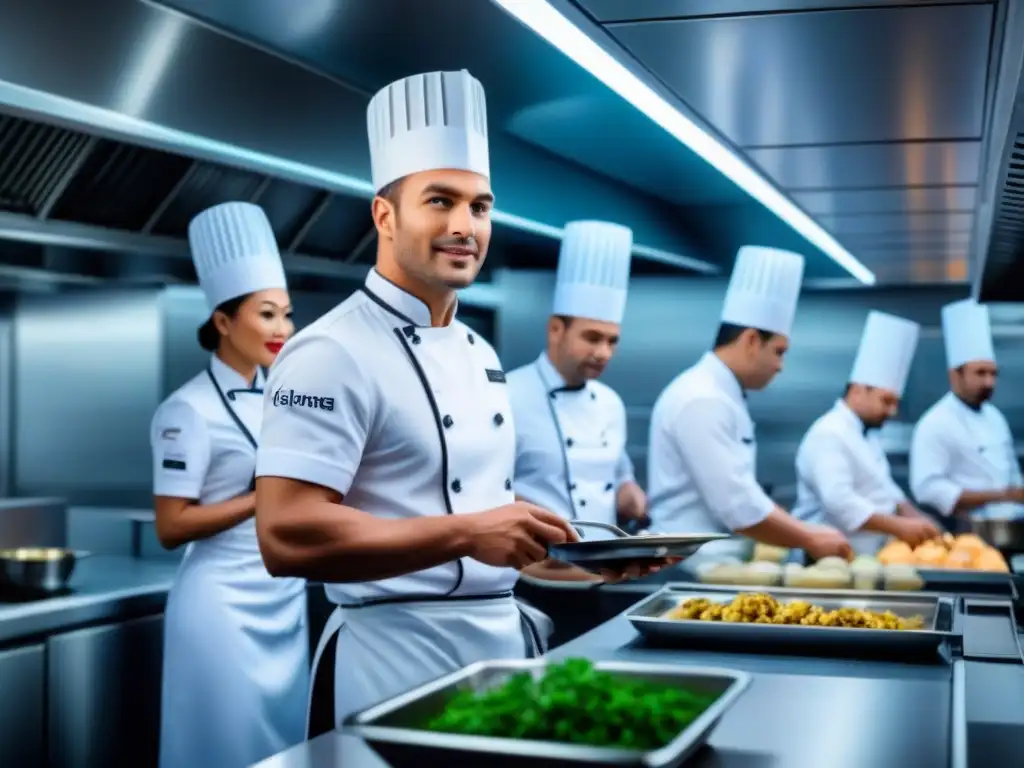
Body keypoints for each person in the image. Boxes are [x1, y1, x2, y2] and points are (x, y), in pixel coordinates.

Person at [252, 70, 578, 734]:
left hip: (502, 657)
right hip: (390, 657)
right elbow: (284, 535)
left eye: (480, 207)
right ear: (384, 214)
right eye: (440, 201)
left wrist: (579, 561)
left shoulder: (482, 354)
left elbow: (478, 529)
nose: (465, 227)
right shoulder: (330, 351)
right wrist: (470, 533)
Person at [150, 202, 309, 768]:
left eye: (286, 315)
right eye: (267, 315)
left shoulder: (283, 397)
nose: (282, 330)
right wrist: (259, 498)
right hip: (220, 606)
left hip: (282, 599)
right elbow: (171, 528)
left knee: (285, 749)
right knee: (222, 748)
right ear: (223, 321)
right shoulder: (186, 410)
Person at [646, 245, 853, 566]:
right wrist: (809, 536)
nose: (781, 365)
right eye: (780, 351)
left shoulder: (722, 394)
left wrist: (803, 530)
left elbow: (744, 495)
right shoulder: (702, 398)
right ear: (752, 340)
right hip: (690, 565)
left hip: (716, 560)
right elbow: (737, 505)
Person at [508, 220, 648, 583]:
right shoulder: (506, 396)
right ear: (556, 328)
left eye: (612, 341)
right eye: (592, 338)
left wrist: (629, 492)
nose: (603, 353)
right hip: (536, 577)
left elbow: (620, 475)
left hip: (605, 574)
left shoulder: (611, 403)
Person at [792, 311, 941, 556]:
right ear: (859, 391)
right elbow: (839, 502)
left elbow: (886, 488)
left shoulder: (866, 433)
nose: (892, 411)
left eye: (895, 403)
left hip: (864, 557)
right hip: (825, 560)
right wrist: (899, 527)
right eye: (887, 401)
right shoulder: (829, 434)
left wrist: (916, 517)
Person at [911, 299, 1024, 523]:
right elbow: (928, 489)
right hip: (965, 531)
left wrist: (1015, 495)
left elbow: (1012, 474)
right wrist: (1001, 496)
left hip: (1010, 527)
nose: (989, 382)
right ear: (955, 375)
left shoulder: (995, 417)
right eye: (980, 373)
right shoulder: (935, 423)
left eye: (993, 373)